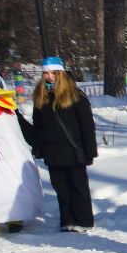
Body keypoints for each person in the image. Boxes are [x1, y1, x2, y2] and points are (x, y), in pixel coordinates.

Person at [29, 56, 98, 232]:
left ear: (60, 73)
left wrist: (90, 151)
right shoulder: (41, 96)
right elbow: (38, 125)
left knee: (78, 186)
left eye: (52, 73)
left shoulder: (75, 95)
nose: (48, 76)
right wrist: (39, 147)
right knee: (60, 187)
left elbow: (87, 126)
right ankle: (67, 219)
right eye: (45, 73)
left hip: (74, 150)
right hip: (53, 151)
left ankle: (83, 220)